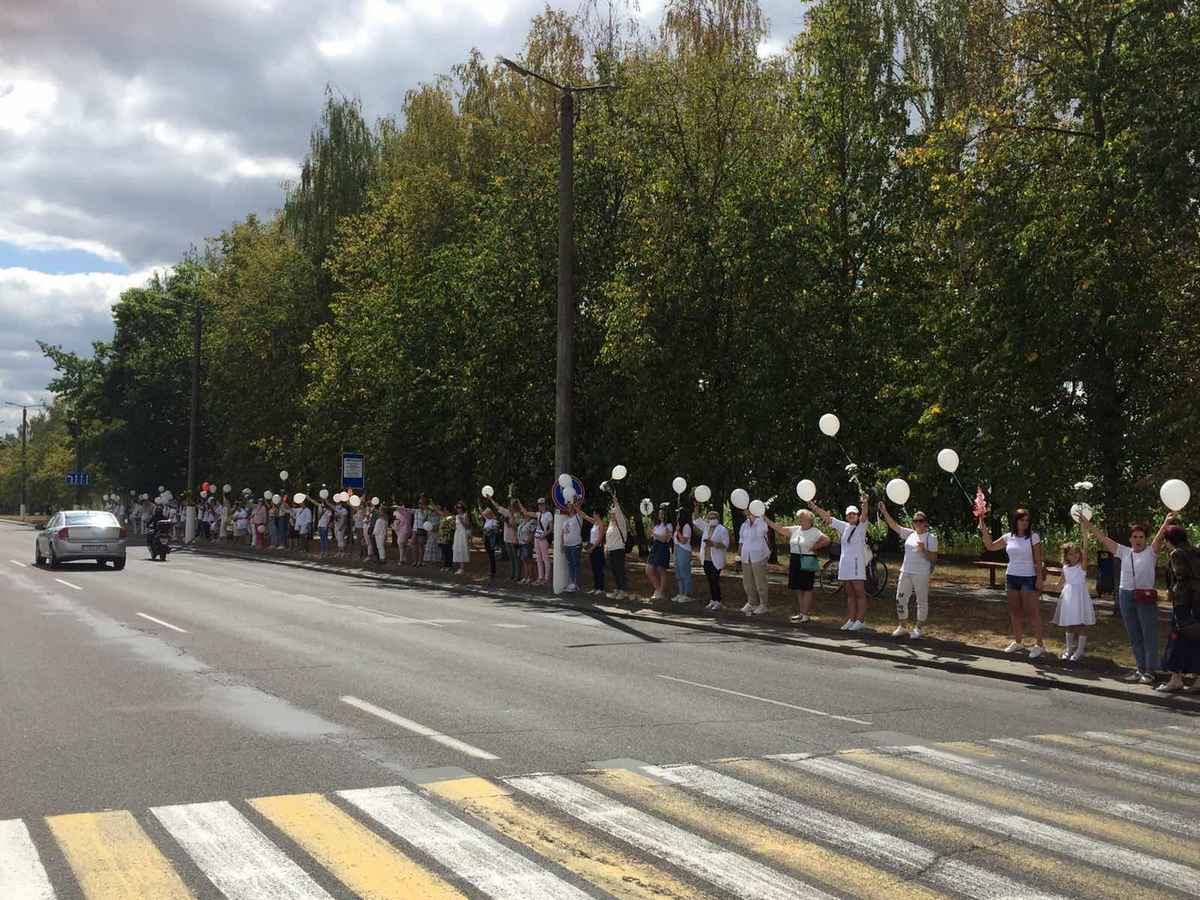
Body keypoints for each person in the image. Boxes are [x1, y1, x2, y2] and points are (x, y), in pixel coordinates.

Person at [1081, 514, 1170, 684]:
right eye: (1135, 537)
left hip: (1145, 597)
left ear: (1146, 539)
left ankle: (1151, 671)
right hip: (1125, 595)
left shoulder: (1151, 552)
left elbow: (1160, 536)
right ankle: (1140, 668)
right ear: (1130, 539)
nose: (1138, 540)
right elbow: (1103, 539)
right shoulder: (1123, 551)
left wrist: (1167, 521)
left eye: (1141, 537)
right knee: (1134, 635)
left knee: (1148, 634)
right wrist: (1088, 525)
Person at [979, 507, 1047, 657]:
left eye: (1027, 520)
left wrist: (1039, 580)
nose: (1025, 523)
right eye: (1022, 520)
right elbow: (990, 546)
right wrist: (984, 531)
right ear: (1015, 521)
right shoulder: (1008, 537)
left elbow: (1038, 560)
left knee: (1032, 612)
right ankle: (1018, 642)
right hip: (1012, 577)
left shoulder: (1033, 537)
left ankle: (1039, 644)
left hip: (1029, 578)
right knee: (1015, 612)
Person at [811, 494, 870, 631]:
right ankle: (851, 619)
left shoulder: (861, 526)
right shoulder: (844, 526)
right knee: (849, 593)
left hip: (856, 564)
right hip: (845, 564)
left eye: (854, 514)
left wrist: (865, 503)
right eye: (849, 515)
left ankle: (860, 620)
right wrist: (814, 507)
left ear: (857, 515)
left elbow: (865, 513)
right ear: (846, 516)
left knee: (859, 593)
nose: (851, 516)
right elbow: (827, 517)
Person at [879, 503, 937, 638]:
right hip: (905, 571)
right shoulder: (910, 534)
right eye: (915, 521)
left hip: (921, 573)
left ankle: (919, 627)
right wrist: (884, 511)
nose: (917, 523)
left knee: (921, 601)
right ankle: (902, 626)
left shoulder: (931, 537)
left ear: (925, 523)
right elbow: (894, 526)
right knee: (900, 599)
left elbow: (933, 558)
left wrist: (924, 550)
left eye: (920, 521)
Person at [1156, 525, 1200, 693]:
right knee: (1196, 639)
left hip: (1184, 603)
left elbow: (1181, 578)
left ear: (1169, 540)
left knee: (1176, 639)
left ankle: (1175, 679)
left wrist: (1171, 593)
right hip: (1198, 603)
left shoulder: (1177, 553)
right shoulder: (1196, 550)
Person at [765, 509, 829, 624]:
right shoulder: (796, 529)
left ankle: (805, 614)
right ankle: (801, 612)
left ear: (809, 520)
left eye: (802, 518)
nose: (800, 520)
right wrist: (766, 519)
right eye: (799, 518)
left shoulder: (815, 531)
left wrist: (815, 547)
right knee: (798, 588)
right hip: (795, 559)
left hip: (808, 559)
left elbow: (827, 540)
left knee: (807, 587)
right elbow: (779, 528)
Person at [693, 502, 730, 612]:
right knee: (710, 580)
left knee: (715, 580)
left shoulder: (722, 529)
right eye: (710, 517)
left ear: (717, 518)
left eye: (713, 517)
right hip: (706, 559)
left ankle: (718, 601)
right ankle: (713, 600)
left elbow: (725, 544)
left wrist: (713, 544)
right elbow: (696, 520)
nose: (711, 519)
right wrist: (696, 507)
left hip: (716, 559)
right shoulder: (706, 527)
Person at [737, 504, 771, 615]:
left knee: (760, 582)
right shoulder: (744, 525)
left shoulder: (761, 522)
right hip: (746, 556)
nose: (745, 511)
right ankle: (752, 602)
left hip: (759, 556)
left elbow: (761, 533)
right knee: (747, 582)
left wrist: (756, 519)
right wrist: (739, 555)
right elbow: (741, 541)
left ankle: (763, 604)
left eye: (748, 510)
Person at [646, 504, 674, 602]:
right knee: (648, 569)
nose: (660, 515)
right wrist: (650, 531)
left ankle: (660, 592)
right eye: (659, 514)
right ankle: (658, 590)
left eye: (662, 514)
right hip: (655, 547)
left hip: (662, 547)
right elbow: (652, 536)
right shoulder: (657, 525)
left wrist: (654, 533)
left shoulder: (669, 526)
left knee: (660, 569)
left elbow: (664, 539)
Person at [579, 504, 608, 596]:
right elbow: (584, 516)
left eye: (594, 513)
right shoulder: (595, 523)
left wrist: (592, 548)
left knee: (599, 568)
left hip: (597, 548)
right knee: (594, 568)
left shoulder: (601, 524)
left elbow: (599, 539)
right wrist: (576, 507)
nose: (593, 514)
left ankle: (601, 588)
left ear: (598, 514)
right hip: (592, 548)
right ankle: (596, 587)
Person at [605, 495, 630, 600]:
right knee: (614, 570)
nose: (612, 515)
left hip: (618, 549)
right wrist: (606, 548)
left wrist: (616, 502)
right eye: (611, 514)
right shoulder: (611, 524)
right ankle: (618, 589)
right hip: (611, 550)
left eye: (613, 513)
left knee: (620, 570)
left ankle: (622, 590)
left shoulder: (621, 523)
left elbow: (619, 513)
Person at [559, 500, 584, 592]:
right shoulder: (566, 520)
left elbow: (580, 512)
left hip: (575, 544)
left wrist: (574, 505)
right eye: (568, 506)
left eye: (570, 506)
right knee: (570, 564)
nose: (569, 508)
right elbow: (562, 533)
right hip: (567, 545)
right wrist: (562, 544)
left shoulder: (578, 517)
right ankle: (572, 582)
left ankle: (576, 584)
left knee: (575, 564)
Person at [531, 498, 554, 586]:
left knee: (545, 558)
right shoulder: (538, 514)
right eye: (539, 504)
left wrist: (544, 535)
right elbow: (526, 513)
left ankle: (546, 578)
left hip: (543, 538)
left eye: (542, 504)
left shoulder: (549, 514)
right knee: (538, 559)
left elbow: (551, 528)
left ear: (545, 505)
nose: (540, 506)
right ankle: (540, 577)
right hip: (536, 537)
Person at [672, 508, 694, 603]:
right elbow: (675, 541)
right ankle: (680, 593)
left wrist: (679, 532)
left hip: (684, 550)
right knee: (678, 573)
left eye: (678, 515)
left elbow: (684, 541)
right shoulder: (678, 526)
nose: (677, 517)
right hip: (677, 550)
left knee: (685, 572)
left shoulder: (686, 526)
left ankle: (687, 594)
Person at [452, 501, 471, 575]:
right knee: (457, 549)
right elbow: (455, 526)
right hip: (457, 533)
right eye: (457, 507)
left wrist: (461, 520)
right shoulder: (456, 516)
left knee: (462, 549)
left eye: (460, 507)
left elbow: (467, 526)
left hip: (463, 534)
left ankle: (462, 568)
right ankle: (459, 567)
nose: (458, 509)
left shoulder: (465, 515)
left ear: (463, 508)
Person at [480, 506, 500, 577]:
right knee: (489, 556)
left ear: (490, 514)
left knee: (492, 556)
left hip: (491, 539)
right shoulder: (487, 520)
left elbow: (495, 530)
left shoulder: (494, 521)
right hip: (486, 539)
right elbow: (482, 513)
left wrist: (487, 531)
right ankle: (491, 570)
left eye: (487, 514)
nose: (486, 516)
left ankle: (492, 571)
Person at [412, 497, 430, 566]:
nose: (420, 504)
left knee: (420, 545)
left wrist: (422, 511)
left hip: (422, 529)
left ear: (425, 504)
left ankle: (420, 561)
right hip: (415, 529)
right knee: (413, 544)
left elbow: (424, 519)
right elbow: (408, 510)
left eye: (421, 503)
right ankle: (414, 561)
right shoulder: (416, 510)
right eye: (419, 503)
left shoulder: (427, 511)